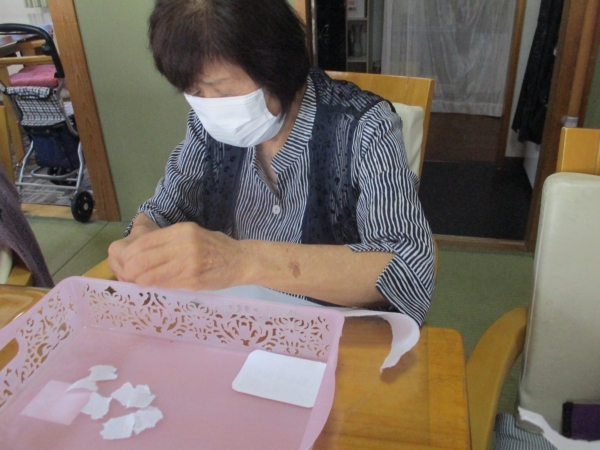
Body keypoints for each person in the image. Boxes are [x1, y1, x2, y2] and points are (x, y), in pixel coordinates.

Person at [108, 0, 435, 325]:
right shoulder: (207, 125)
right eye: (195, 91)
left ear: (275, 67)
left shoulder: (364, 127)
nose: (210, 108)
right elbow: (164, 210)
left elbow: (409, 267)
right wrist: (141, 239)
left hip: (337, 335)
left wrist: (241, 261)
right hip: (231, 327)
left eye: (222, 94)